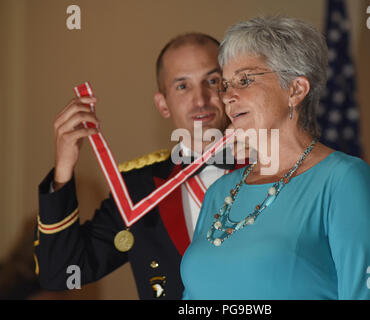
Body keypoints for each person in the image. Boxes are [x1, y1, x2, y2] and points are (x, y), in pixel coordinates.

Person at [180, 16, 370, 299]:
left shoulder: (343, 180)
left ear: (295, 90)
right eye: (225, 84)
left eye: (244, 80)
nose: (228, 97)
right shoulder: (219, 192)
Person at [35, 33, 241, 299]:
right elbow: (61, 272)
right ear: (162, 104)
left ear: (229, 91)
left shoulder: (271, 170)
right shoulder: (137, 190)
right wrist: (63, 168)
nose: (200, 99)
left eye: (212, 81)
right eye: (182, 86)